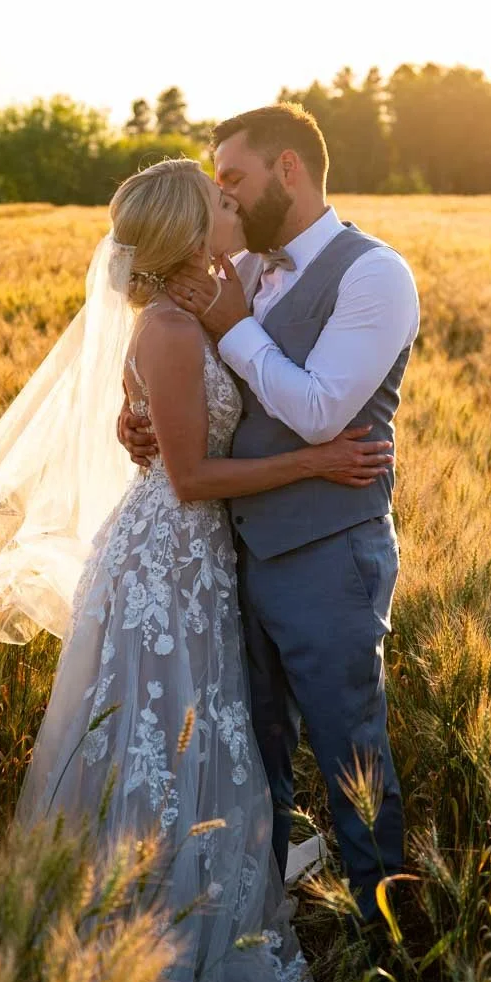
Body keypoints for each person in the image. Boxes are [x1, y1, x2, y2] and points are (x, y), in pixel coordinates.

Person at [0, 156, 392, 982]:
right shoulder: (164, 325)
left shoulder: (208, 299)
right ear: (182, 230)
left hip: (197, 560)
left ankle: (194, 935)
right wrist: (312, 465)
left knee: (202, 741)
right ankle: (141, 948)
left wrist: (151, 425)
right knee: (152, 743)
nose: (229, 202)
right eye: (214, 200)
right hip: (164, 561)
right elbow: (191, 476)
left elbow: (197, 426)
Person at [119, 105, 420, 922]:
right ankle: (256, 925)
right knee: (254, 756)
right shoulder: (239, 270)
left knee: (350, 746)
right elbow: (182, 369)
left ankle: (386, 931)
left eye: (234, 179)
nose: (226, 196)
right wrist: (138, 411)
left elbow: (321, 410)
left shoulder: (374, 274)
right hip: (225, 555)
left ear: (288, 169)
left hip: (328, 555)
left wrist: (238, 328)